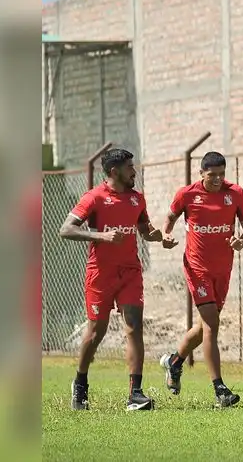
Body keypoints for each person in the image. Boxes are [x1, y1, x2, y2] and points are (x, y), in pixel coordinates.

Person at [58, 148, 166, 411]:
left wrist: (158, 236)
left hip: (130, 271)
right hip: (101, 274)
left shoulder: (137, 198)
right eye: (130, 167)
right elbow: (66, 229)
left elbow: (144, 229)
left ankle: (135, 394)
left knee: (134, 328)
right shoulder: (94, 198)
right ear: (114, 171)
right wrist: (101, 236)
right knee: (96, 332)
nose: (134, 171)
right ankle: (81, 382)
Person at [157, 151, 243, 408]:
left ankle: (174, 362)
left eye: (222, 174)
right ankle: (220, 389)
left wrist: (240, 241)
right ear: (201, 174)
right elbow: (170, 218)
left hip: (223, 269)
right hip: (196, 268)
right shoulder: (187, 194)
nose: (217, 180)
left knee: (202, 329)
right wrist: (166, 234)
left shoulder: (236, 194)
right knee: (212, 325)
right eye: (212, 175)